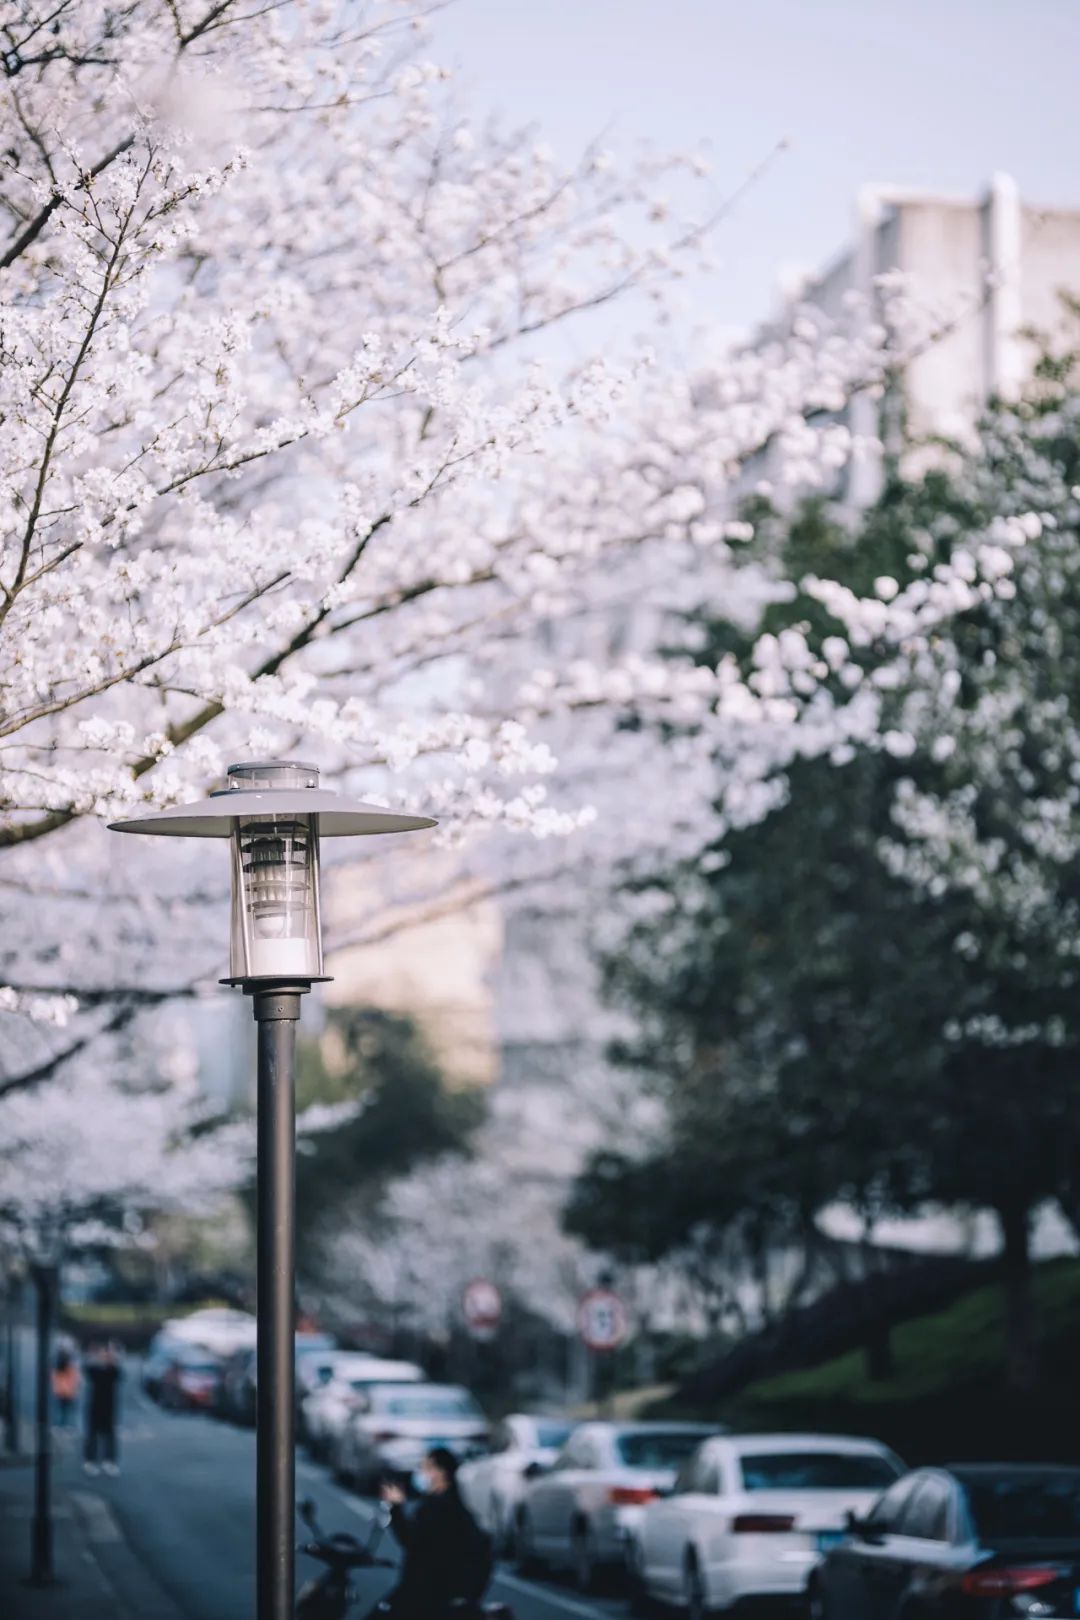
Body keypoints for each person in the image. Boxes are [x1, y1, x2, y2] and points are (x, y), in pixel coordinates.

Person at [377, 1447, 493, 1619]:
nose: (420, 1473)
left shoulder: (441, 1508)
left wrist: (396, 1508)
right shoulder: (447, 1504)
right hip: (431, 1592)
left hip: (429, 1593)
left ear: (440, 1472)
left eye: (425, 1467)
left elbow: (412, 1540)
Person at [83, 1342, 122, 1475]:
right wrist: (94, 1357)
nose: (105, 1356)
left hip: (109, 1408)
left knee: (109, 1436)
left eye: (107, 1354)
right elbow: (87, 1369)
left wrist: (114, 1358)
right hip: (94, 1407)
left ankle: (109, 1461)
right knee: (92, 1436)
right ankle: (90, 1461)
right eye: (103, 1354)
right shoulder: (94, 1370)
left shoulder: (113, 1371)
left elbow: (118, 1373)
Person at [51, 1348, 80, 1429]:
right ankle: (69, 1425)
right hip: (68, 1393)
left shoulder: (58, 1369)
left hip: (61, 1392)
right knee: (68, 1411)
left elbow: (54, 1379)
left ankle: (60, 1425)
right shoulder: (71, 1369)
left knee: (60, 1410)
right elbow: (76, 1380)